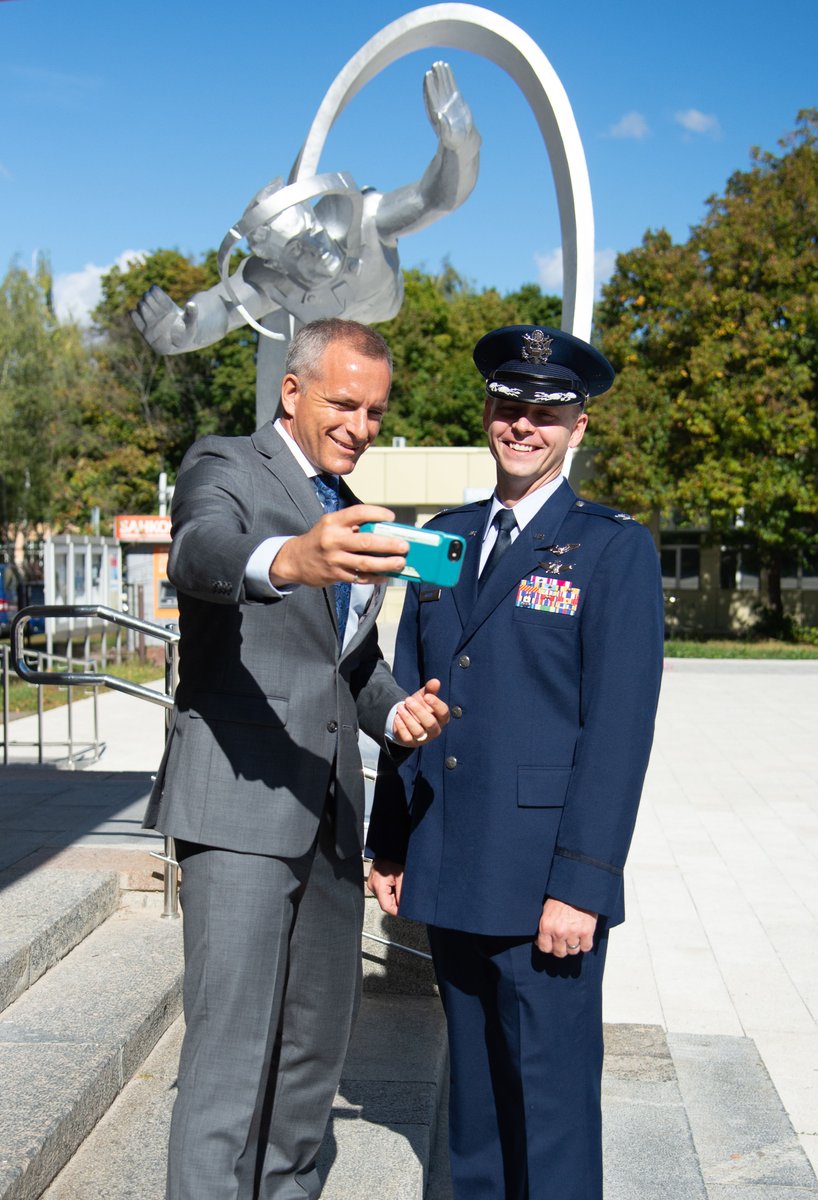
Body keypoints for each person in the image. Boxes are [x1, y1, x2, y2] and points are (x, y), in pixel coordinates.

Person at [143, 317, 449, 1200]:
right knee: (231, 1053)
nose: (361, 425)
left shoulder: (349, 505)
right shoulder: (227, 464)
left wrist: (396, 714)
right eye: (343, 403)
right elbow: (198, 552)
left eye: (376, 411)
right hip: (238, 803)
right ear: (292, 390)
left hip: (330, 817)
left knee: (313, 1055)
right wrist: (291, 557)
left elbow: (346, 662)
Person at [366, 324, 664, 1200]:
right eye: (508, 405)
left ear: (578, 428)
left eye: (546, 412)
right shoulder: (442, 540)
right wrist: (392, 838)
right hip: (451, 862)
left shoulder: (612, 548)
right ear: (488, 412)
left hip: (544, 887)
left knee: (552, 1114)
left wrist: (582, 885)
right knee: (476, 1117)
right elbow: (410, 701)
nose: (522, 425)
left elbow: (618, 733)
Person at [130, 61, 481, 427]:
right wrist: (180, 332)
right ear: (280, 264)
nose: (317, 249)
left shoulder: (364, 219)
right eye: (298, 249)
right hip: (324, 325)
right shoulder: (273, 281)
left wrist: (459, 143)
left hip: (384, 300)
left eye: (312, 232)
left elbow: (436, 198)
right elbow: (220, 307)